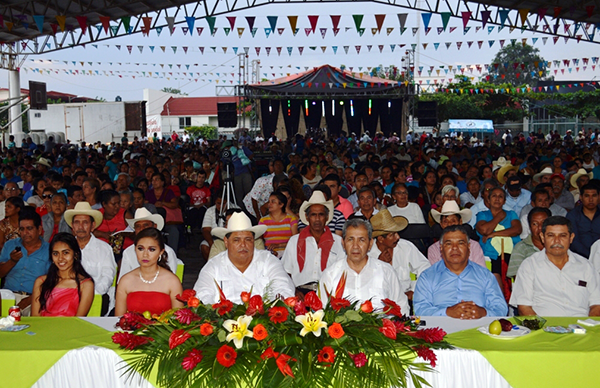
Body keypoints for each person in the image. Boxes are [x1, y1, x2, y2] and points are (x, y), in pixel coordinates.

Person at [193, 211, 295, 304]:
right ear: (226, 242)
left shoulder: (268, 260)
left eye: (248, 239)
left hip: (263, 320)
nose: (243, 245)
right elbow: (202, 294)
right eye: (236, 240)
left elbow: (283, 287)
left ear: (254, 241)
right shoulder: (214, 265)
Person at [510, 216, 600, 317]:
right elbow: (524, 307)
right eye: (551, 235)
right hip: (543, 328)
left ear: (571, 238)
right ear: (543, 237)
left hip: (581, 329)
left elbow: (597, 304)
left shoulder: (586, 266)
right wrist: (542, 329)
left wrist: (589, 327)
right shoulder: (530, 265)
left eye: (562, 236)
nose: (557, 241)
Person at [413, 225, 507, 318]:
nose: (455, 248)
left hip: (478, 327)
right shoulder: (428, 276)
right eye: (449, 244)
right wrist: (447, 312)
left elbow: (501, 308)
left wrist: (483, 313)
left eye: (460, 243)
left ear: (469, 247)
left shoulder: (485, 275)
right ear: (441, 248)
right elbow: (420, 309)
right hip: (442, 328)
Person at [319, 218, 409, 314]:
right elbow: (320, 313)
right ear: (343, 243)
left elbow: (402, 308)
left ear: (370, 244)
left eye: (361, 240)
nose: (355, 246)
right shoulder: (331, 274)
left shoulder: (386, 271)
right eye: (350, 239)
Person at [281, 191, 345, 294]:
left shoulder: (338, 242)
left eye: (321, 215)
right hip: (300, 292)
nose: (317, 219)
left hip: (328, 293)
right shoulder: (294, 241)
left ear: (327, 217)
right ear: (307, 217)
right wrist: (294, 291)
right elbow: (285, 272)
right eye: (313, 215)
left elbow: (343, 272)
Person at [115, 228, 184, 316]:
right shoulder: (125, 281)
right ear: (135, 250)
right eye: (140, 249)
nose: (145, 254)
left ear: (161, 252)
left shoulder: (172, 281)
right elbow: (119, 319)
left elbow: (179, 320)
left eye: (151, 249)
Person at [368, 210, 430, 300]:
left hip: (406, 300)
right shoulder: (368, 253)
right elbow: (364, 282)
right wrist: (378, 264)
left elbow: (425, 267)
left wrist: (414, 289)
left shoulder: (406, 246)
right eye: (392, 235)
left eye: (397, 233)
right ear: (381, 239)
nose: (398, 237)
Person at [64, 202, 117, 309]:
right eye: (77, 223)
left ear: (92, 226)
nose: (81, 227)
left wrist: (90, 294)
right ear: (72, 226)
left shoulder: (104, 248)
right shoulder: (66, 248)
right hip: (69, 297)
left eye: (85, 223)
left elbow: (108, 276)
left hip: (96, 297)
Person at [31, 233, 95, 316]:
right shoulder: (41, 281)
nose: (60, 258)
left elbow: (79, 320)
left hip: (71, 328)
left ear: (75, 254)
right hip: (42, 327)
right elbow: (35, 318)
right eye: (55, 254)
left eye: (65, 253)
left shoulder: (85, 284)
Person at [476, 187, 521, 288]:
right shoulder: (482, 214)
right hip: (490, 255)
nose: (497, 199)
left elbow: (517, 230)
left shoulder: (511, 214)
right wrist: (498, 217)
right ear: (488, 200)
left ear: (504, 201)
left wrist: (494, 234)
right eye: (494, 196)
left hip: (512, 253)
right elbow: (484, 230)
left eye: (500, 196)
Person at [117, 207, 179, 282]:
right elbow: (123, 280)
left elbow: (170, 282)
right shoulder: (128, 252)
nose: (142, 229)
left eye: (145, 225)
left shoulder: (168, 252)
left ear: (154, 226)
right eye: (138, 226)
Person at [428, 200, 486, 267]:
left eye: (453, 221)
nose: (449, 224)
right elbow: (434, 274)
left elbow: (481, 272)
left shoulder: (474, 246)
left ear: (460, 222)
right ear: (441, 224)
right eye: (445, 221)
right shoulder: (433, 249)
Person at [507, 207, 551, 279]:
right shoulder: (521, 248)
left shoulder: (557, 246)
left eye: (543, 223)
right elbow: (518, 278)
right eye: (535, 224)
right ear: (530, 227)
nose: (540, 227)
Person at [94, 190, 134, 262]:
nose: (117, 206)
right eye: (114, 204)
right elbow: (87, 231)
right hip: (100, 252)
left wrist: (127, 234)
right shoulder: (97, 214)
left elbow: (135, 233)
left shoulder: (125, 214)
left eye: (118, 203)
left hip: (123, 252)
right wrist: (102, 234)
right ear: (104, 204)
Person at [259, 191, 298, 257]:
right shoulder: (263, 221)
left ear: (281, 204)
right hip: (270, 255)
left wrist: (278, 245)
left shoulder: (291, 219)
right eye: (269, 202)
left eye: (273, 202)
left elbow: (295, 241)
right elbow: (259, 241)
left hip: (288, 254)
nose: (269, 204)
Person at [566, 183, 600, 258]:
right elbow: (574, 241)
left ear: (599, 197)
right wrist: (591, 256)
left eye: (594, 196)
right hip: (579, 257)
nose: (591, 199)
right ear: (581, 197)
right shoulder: (572, 215)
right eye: (587, 196)